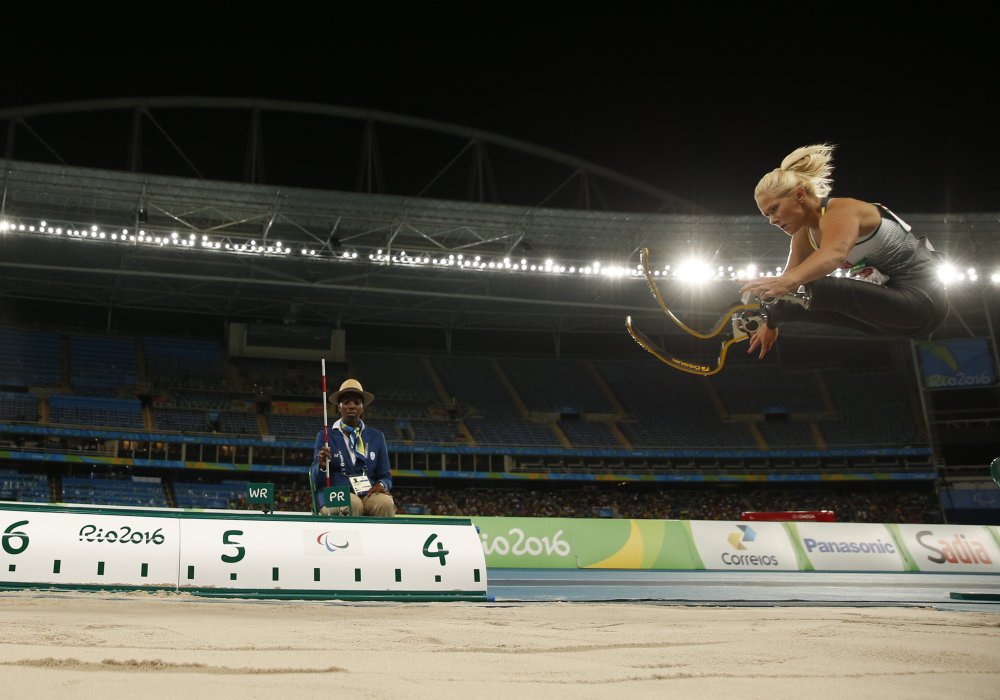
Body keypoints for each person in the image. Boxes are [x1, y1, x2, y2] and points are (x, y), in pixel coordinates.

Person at [737, 143, 949, 359]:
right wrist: (770, 321)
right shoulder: (803, 237)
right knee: (788, 302)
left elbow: (833, 255)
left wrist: (786, 283)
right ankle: (744, 323)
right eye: (767, 215)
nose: (772, 220)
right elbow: (784, 290)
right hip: (888, 324)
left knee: (814, 287)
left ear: (800, 195)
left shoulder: (842, 210)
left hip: (923, 302)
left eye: (774, 209)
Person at [311, 378, 395, 517]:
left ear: (362, 408)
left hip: (366, 493)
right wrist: (321, 465)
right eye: (346, 402)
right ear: (339, 407)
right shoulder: (325, 435)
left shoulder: (376, 436)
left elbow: (385, 476)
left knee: (385, 503)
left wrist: (382, 484)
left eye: (357, 402)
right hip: (336, 494)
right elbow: (315, 479)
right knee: (353, 503)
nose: (351, 406)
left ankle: (380, 539)